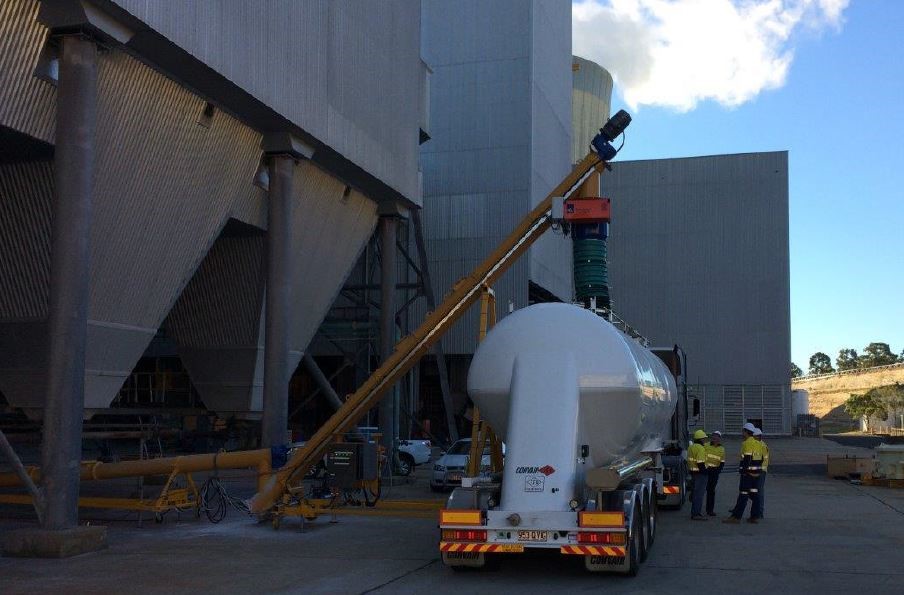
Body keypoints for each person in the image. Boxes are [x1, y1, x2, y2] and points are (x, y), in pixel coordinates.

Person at [724, 422, 763, 524]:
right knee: (755, 495)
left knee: (743, 495)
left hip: (748, 475)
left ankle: (736, 517)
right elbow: (761, 458)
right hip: (756, 474)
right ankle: (754, 517)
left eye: (743, 431)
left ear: (746, 432)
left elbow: (747, 458)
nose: (742, 433)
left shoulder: (747, 443)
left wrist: (744, 471)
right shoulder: (759, 443)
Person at [687, 429, 709, 520]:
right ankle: (696, 514)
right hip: (700, 474)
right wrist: (706, 472)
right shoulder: (700, 448)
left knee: (696, 492)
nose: (705, 440)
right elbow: (700, 463)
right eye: (704, 438)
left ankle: (694, 511)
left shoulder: (691, 447)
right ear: (700, 439)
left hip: (693, 473)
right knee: (699, 494)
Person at [704, 430, 726, 516]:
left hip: (714, 472)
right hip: (705, 471)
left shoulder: (722, 449)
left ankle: (710, 510)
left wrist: (718, 471)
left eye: (717, 437)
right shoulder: (705, 446)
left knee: (711, 491)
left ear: (719, 439)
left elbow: (722, 461)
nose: (715, 439)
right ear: (711, 438)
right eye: (713, 437)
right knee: (701, 489)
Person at [754, 427, 769, 519]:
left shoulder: (762, 446)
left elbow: (764, 460)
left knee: (759, 491)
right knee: (753, 491)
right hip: (756, 470)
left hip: (761, 471)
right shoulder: (755, 445)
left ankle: (760, 512)